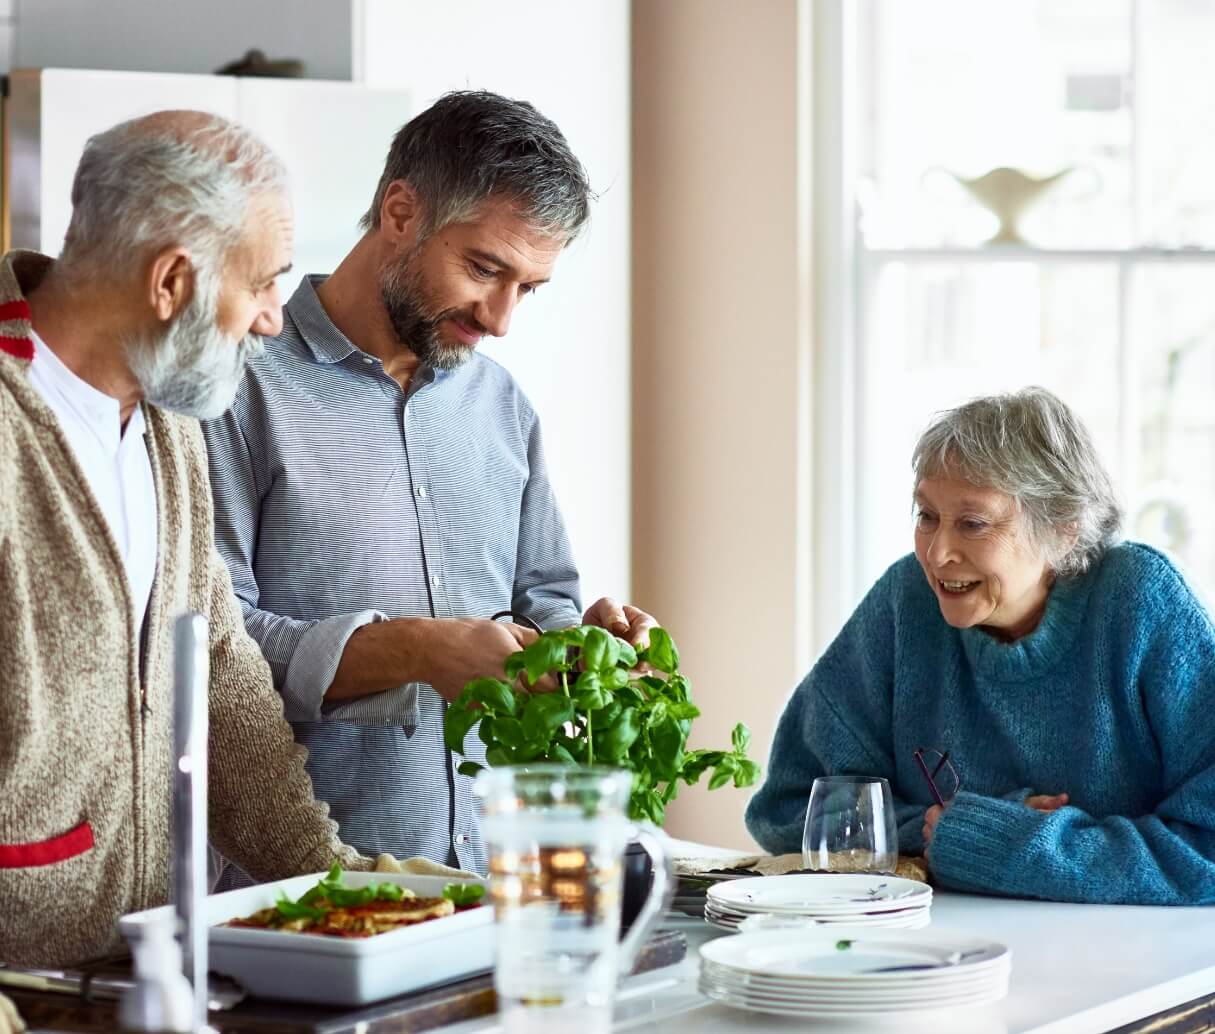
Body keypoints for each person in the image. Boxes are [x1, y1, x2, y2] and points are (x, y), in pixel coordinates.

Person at [0, 110, 418, 975]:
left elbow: (221, 675)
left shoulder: (169, 424)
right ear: (170, 283)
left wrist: (339, 886)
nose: (271, 319)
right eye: (263, 283)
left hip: (144, 971)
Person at [202, 90, 655, 878]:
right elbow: (207, 648)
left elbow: (538, 600)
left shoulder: (501, 404)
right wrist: (412, 649)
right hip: (299, 895)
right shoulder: (234, 389)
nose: (502, 318)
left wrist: (585, 648)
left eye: (528, 287)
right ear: (401, 212)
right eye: (484, 269)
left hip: (494, 886)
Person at [746, 387, 1215, 905]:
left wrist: (995, 839)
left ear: (1062, 529)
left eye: (973, 523)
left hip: (1141, 963)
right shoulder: (906, 601)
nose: (938, 552)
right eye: (926, 516)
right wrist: (935, 831)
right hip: (937, 951)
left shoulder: (1140, 601)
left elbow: (1207, 852)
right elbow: (791, 808)